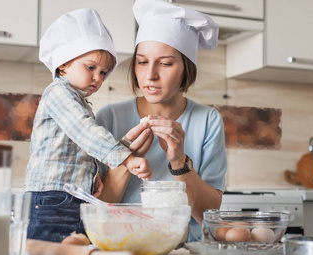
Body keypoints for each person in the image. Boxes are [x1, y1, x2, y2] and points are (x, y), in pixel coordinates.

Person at [96, 0, 227, 241]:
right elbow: (97, 210)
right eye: (142, 61)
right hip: (122, 246)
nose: (150, 75)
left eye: (165, 63)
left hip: (185, 253)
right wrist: (126, 159)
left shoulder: (208, 120)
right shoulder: (110, 117)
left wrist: (179, 161)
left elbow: (209, 216)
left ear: (187, 69)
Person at [24, 8, 152, 243]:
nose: (98, 78)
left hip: (72, 198)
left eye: (104, 72)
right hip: (53, 200)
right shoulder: (57, 93)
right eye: (90, 67)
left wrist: (124, 146)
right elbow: (84, 131)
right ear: (63, 65)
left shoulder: (78, 100)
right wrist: (127, 158)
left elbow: (80, 148)